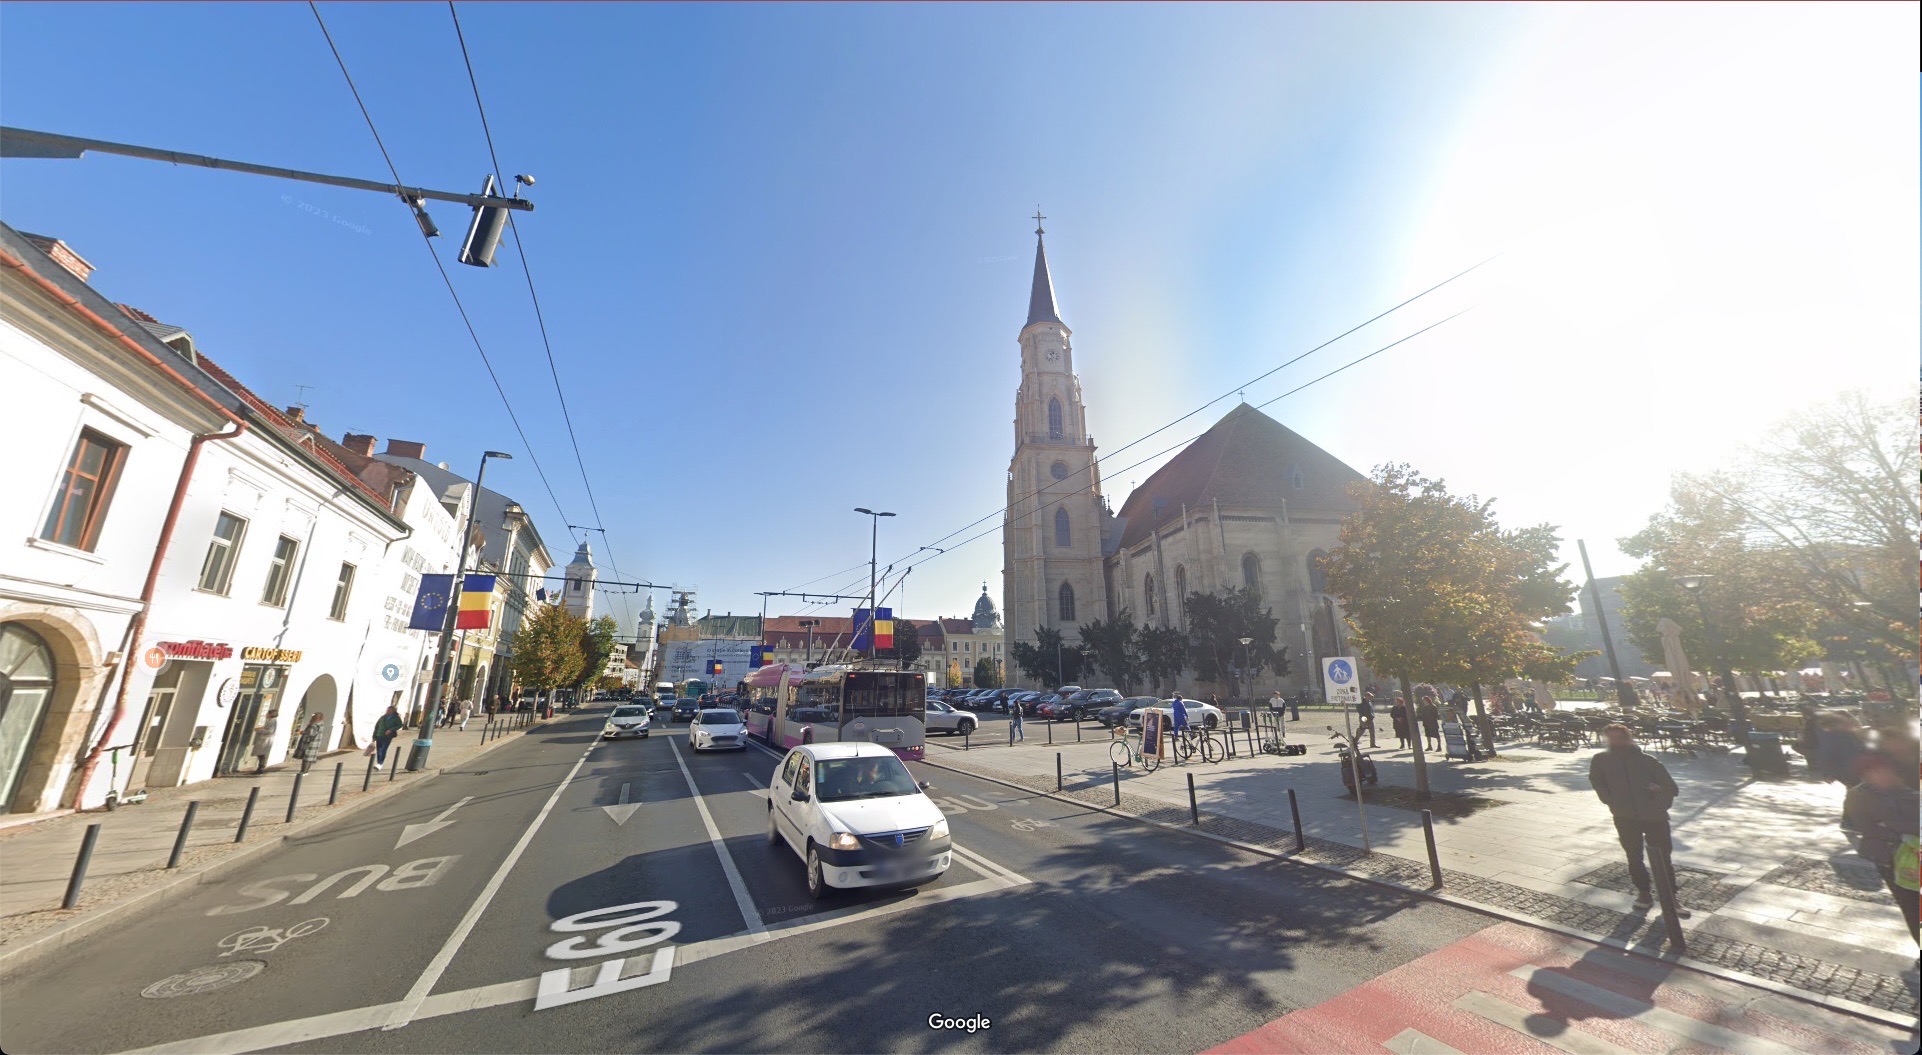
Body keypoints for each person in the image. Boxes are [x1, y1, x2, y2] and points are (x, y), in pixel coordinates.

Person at [1588, 724, 1690, 917]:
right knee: (1634, 856)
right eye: (1612, 738)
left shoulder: (1648, 761)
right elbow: (1597, 782)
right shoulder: (1600, 760)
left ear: (1628, 738)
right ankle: (1644, 893)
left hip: (1654, 816)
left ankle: (1671, 897)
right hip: (1624, 816)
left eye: (1620, 737)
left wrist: (1658, 791)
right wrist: (1611, 802)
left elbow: (1671, 788)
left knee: (1662, 858)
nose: (1616, 741)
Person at [1852, 748, 1920, 943]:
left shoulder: (1909, 790)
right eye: (1880, 771)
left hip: (1915, 854)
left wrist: (1892, 824)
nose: (1888, 774)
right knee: (1911, 907)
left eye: (1889, 770)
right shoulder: (1858, 796)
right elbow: (1867, 828)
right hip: (1890, 860)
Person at [372, 704, 403, 770]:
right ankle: (378, 762)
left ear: (393, 711)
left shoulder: (396, 718)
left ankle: (380, 763)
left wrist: (391, 730)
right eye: (387, 710)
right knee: (379, 750)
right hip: (379, 735)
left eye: (389, 710)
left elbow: (400, 725)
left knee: (383, 749)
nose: (388, 711)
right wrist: (374, 736)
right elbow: (377, 726)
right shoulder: (383, 717)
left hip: (387, 736)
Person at [251, 710, 280, 774]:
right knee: (261, 754)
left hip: (265, 740)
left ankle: (261, 768)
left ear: (270, 714)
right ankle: (260, 768)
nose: (266, 714)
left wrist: (260, 730)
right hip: (264, 740)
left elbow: (270, 731)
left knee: (261, 754)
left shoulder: (272, 722)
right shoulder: (270, 721)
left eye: (267, 713)